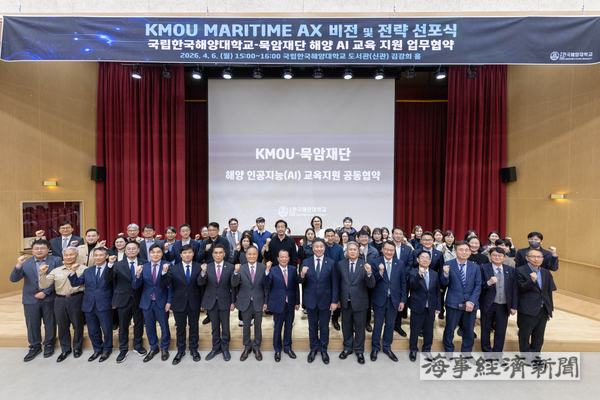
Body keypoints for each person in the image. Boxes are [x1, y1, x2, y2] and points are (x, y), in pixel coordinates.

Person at [10, 239, 61, 361]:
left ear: (48, 249)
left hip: (49, 297)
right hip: (30, 298)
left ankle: (49, 344)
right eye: (36, 248)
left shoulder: (56, 260)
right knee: (32, 324)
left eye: (42, 248)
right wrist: (18, 265)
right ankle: (34, 346)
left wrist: (45, 292)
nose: (39, 250)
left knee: (50, 322)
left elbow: (59, 278)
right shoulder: (25, 262)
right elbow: (13, 279)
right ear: (32, 250)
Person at [39, 246, 86, 362]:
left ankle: (77, 347)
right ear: (63, 257)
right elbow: (44, 285)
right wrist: (42, 274)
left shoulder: (84, 269)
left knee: (77, 324)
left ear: (77, 255)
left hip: (76, 298)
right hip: (59, 300)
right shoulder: (56, 270)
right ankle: (65, 349)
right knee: (62, 325)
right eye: (66, 255)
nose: (68, 257)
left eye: (71, 254)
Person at [68, 247, 114, 362]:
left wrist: (114, 302)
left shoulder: (111, 269)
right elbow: (76, 283)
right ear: (93, 257)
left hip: (105, 304)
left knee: (107, 329)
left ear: (106, 256)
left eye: (101, 255)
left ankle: (107, 349)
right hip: (89, 305)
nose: (98, 257)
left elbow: (115, 287)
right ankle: (97, 349)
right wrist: (73, 272)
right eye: (96, 255)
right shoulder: (88, 270)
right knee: (92, 330)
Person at [297, 238, 338, 364]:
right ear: (313, 248)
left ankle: (324, 349)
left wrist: (334, 301)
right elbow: (300, 281)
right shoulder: (306, 261)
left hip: (326, 300)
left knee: (324, 327)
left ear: (324, 248)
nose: (319, 249)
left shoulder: (331, 262)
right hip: (311, 300)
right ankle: (313, 348)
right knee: (312, 327)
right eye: (316, 246)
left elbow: (335, 283)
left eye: (321, 246)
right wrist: (302, 274)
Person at [104, 241, 147, 362]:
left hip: (139, 298)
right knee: (123, 325)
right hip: (123, 299)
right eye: (128, 249)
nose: (131, 251)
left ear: (138, 250)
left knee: (139, 324)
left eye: (134, 248)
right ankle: (123, 349)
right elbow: (108, 278)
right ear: (125, 251)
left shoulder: (145, 263)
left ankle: (137, 346)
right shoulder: (117, 264)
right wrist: (110, 264)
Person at [161, 244, 203, 365]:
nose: (187, 255)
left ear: (193, 254)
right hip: (178, 303)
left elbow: (202, 286)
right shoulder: (173, 268)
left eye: (189, 252)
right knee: (180, 328)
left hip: (194, 302)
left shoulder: (199, 267)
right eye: (185, 253)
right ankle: (181, 350)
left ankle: (194, 349)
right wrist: (164, 272)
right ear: (180, 255)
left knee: (194, 327)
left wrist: (203, 302)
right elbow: (166, 285)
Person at [441, 241, 481, 359]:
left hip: (470, 303)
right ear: (455, 251)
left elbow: (478, 285)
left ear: (470, 252)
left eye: (466, 250)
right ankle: (449, 350)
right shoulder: (448, 264)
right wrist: (445, 274)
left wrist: (472, 301)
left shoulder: (475, 267)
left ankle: (467, 352)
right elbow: (443, 283)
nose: (464, 252)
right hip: (453, 302)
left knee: (469, 329)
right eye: (461, 249)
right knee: (450, 328)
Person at [132, 244, 172, 362]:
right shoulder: (143, 267)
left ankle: (164, 348)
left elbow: (171, 286)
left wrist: (169, 301)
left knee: (164, 326)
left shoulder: (168, 265)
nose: (155, 254)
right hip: (146, 302)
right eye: (153, 252)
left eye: (158, 252)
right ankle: (153, 347)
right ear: (149, 254)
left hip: (162, 301)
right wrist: (137, 275)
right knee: (149, 327)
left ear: (162, 253)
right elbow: (135, 286)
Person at [337, 242, 376, 364]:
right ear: (347, 252)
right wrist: (337, 299)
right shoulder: (341, 264)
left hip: (360, 302)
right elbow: (337, 283)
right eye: (350, 249)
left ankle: (359, 351)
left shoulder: (365, 265)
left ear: (358, 252)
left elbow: (371, 285)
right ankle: (347, 348)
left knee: (360, 327)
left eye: (355, 249)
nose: (352, 251)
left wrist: (369, 273)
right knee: (346, 326)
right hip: (345, 301)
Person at [516, 248, 557, 365]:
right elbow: (520, 288)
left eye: (539, 257)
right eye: (533, 256)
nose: (536, 259)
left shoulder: (545, 272)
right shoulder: (520, 270)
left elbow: (548, 292)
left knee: (539, 335)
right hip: (527, 308)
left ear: (542, 259)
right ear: (527, 258)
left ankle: (536, 356)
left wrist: (550, 308)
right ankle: (526, 357)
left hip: (543, 309)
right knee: (524, 334)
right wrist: (532, 281)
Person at [370, 240, 407, 362]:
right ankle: (375, 348)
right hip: (379, 299)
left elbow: (403, 283)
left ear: (394, 251)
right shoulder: (375, 262)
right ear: (382, 250)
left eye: (391, 250)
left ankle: (387, 347)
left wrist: (402, 300)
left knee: (390, 325)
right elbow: (371, 281)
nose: (389, 252)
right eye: (387, 249)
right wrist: (380, 273)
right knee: (378, 325)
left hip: (394, 300)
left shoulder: (400, 263)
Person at [198, 244, 235, 362]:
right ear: (212, 254)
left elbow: (233, 286)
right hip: (211, 301)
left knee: (225, 326)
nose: (218, 255)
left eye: (220, 253)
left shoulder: (230, 267)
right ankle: (215, 348)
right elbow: (200, 283)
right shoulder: (207, 267)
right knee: (214, 327)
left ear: (224, 254)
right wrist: (202, 273)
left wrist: (233, 301)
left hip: (225, 300)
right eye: (216, 253)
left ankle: (225, 348)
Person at [479, 247, 518, 361]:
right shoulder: (483, 268)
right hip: (488, 304)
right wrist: (488, 283)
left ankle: (498, 353)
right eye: (494, 255)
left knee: (501, 330)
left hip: (504, 305)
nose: (497, 257)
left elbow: (514, 289)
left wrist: (514, 306)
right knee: (485, 329)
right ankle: (487, 353)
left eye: (500, 255)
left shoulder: (510, 270)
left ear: (504, 257)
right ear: (490, 256)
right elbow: (478, 285)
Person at [231, 246, 269, 361]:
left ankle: (257, 347)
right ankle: (247, 347)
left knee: (258, 326)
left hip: (258, 301)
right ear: (246, 255)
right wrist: (235, 272)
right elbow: (234, 284)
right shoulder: (241, 268)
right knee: (246, 326)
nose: (252, 256)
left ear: (257, 255)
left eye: (254, 254)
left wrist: (266, 301)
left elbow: (266, 286)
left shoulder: (263, 267)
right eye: (249, 254)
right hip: (245, 301)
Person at [265, 250, 300, 362]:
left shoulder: (293, 269)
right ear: (278, 258)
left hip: (290, 303)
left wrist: (297, 302)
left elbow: (296, 287)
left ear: (289, 258)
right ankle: (277, 349)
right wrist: (267, 271)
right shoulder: (273, 270)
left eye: (286, 257)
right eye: (281, 257)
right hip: (278, 303)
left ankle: (288, 348)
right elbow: (266, 283)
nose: (284, 259)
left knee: (289, 327)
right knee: (278, 327)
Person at [407, 250, 441, 362]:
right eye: (422, 257)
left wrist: (438, 306)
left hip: (430, 306)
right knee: (415, 329)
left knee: (429, 330)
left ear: (430, 261)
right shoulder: (412, 272)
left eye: (427, 258)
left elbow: (437, 292)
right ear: (418, 260)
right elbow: (413, 286)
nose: (425, 260)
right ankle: (413, 349)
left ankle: (427, 349)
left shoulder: (435, 274)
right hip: (417, 306)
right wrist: (419, 275)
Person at [391, 227, 413, 337]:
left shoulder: (407, 248)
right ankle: (390, 324)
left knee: (401, 301)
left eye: (400, 234)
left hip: (404, 279)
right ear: (392, 235)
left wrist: (403, 273)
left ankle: (397, 325)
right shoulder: (388, 247)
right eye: (396, 233)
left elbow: (410, 263)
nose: (398, 236)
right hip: (390, 279)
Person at [356, 230, 380, 333]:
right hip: (357, 280)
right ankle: (356, 323)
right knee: (357, 303)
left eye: (366, 237)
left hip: (370, 279)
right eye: (361, 237)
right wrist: (360, 254)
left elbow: (377, 265)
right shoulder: (354, 249)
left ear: (369, 238)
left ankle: (367, 322)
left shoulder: (374, 251)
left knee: (368, 302)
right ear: (358, 238)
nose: (364, 239)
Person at [325, 228, 345, 330]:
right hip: (324, 276)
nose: (330, 238)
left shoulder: (339, 247)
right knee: (325, 299)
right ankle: (323, 320)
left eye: (332, 236)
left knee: (336, 298)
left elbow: (342, 262)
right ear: (325, 237)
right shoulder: (322, 246)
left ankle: (335, 320)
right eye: (328, 236)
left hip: (336, 276)